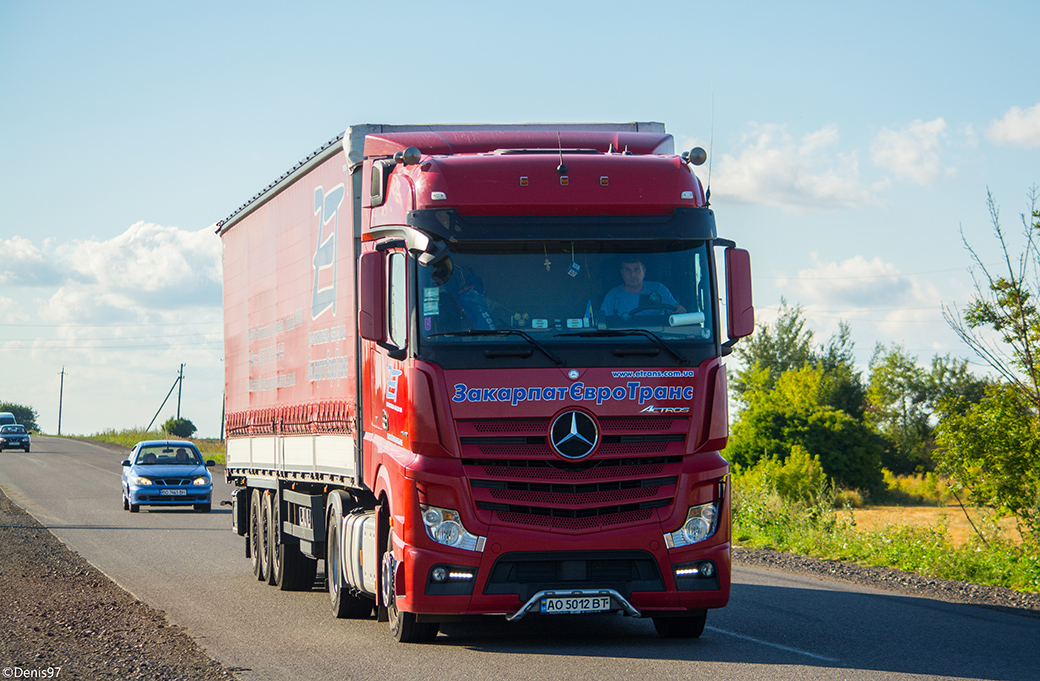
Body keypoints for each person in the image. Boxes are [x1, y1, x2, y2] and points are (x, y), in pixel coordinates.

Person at [600, 258, 686, 319]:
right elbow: (603, 324)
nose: (632, 274)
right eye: (627, 270)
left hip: (658, 339)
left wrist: (679, 310)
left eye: (636, 269)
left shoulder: (659, 289)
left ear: (644, 271)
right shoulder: (612, 295)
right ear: (622, 273)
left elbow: (677, 313)